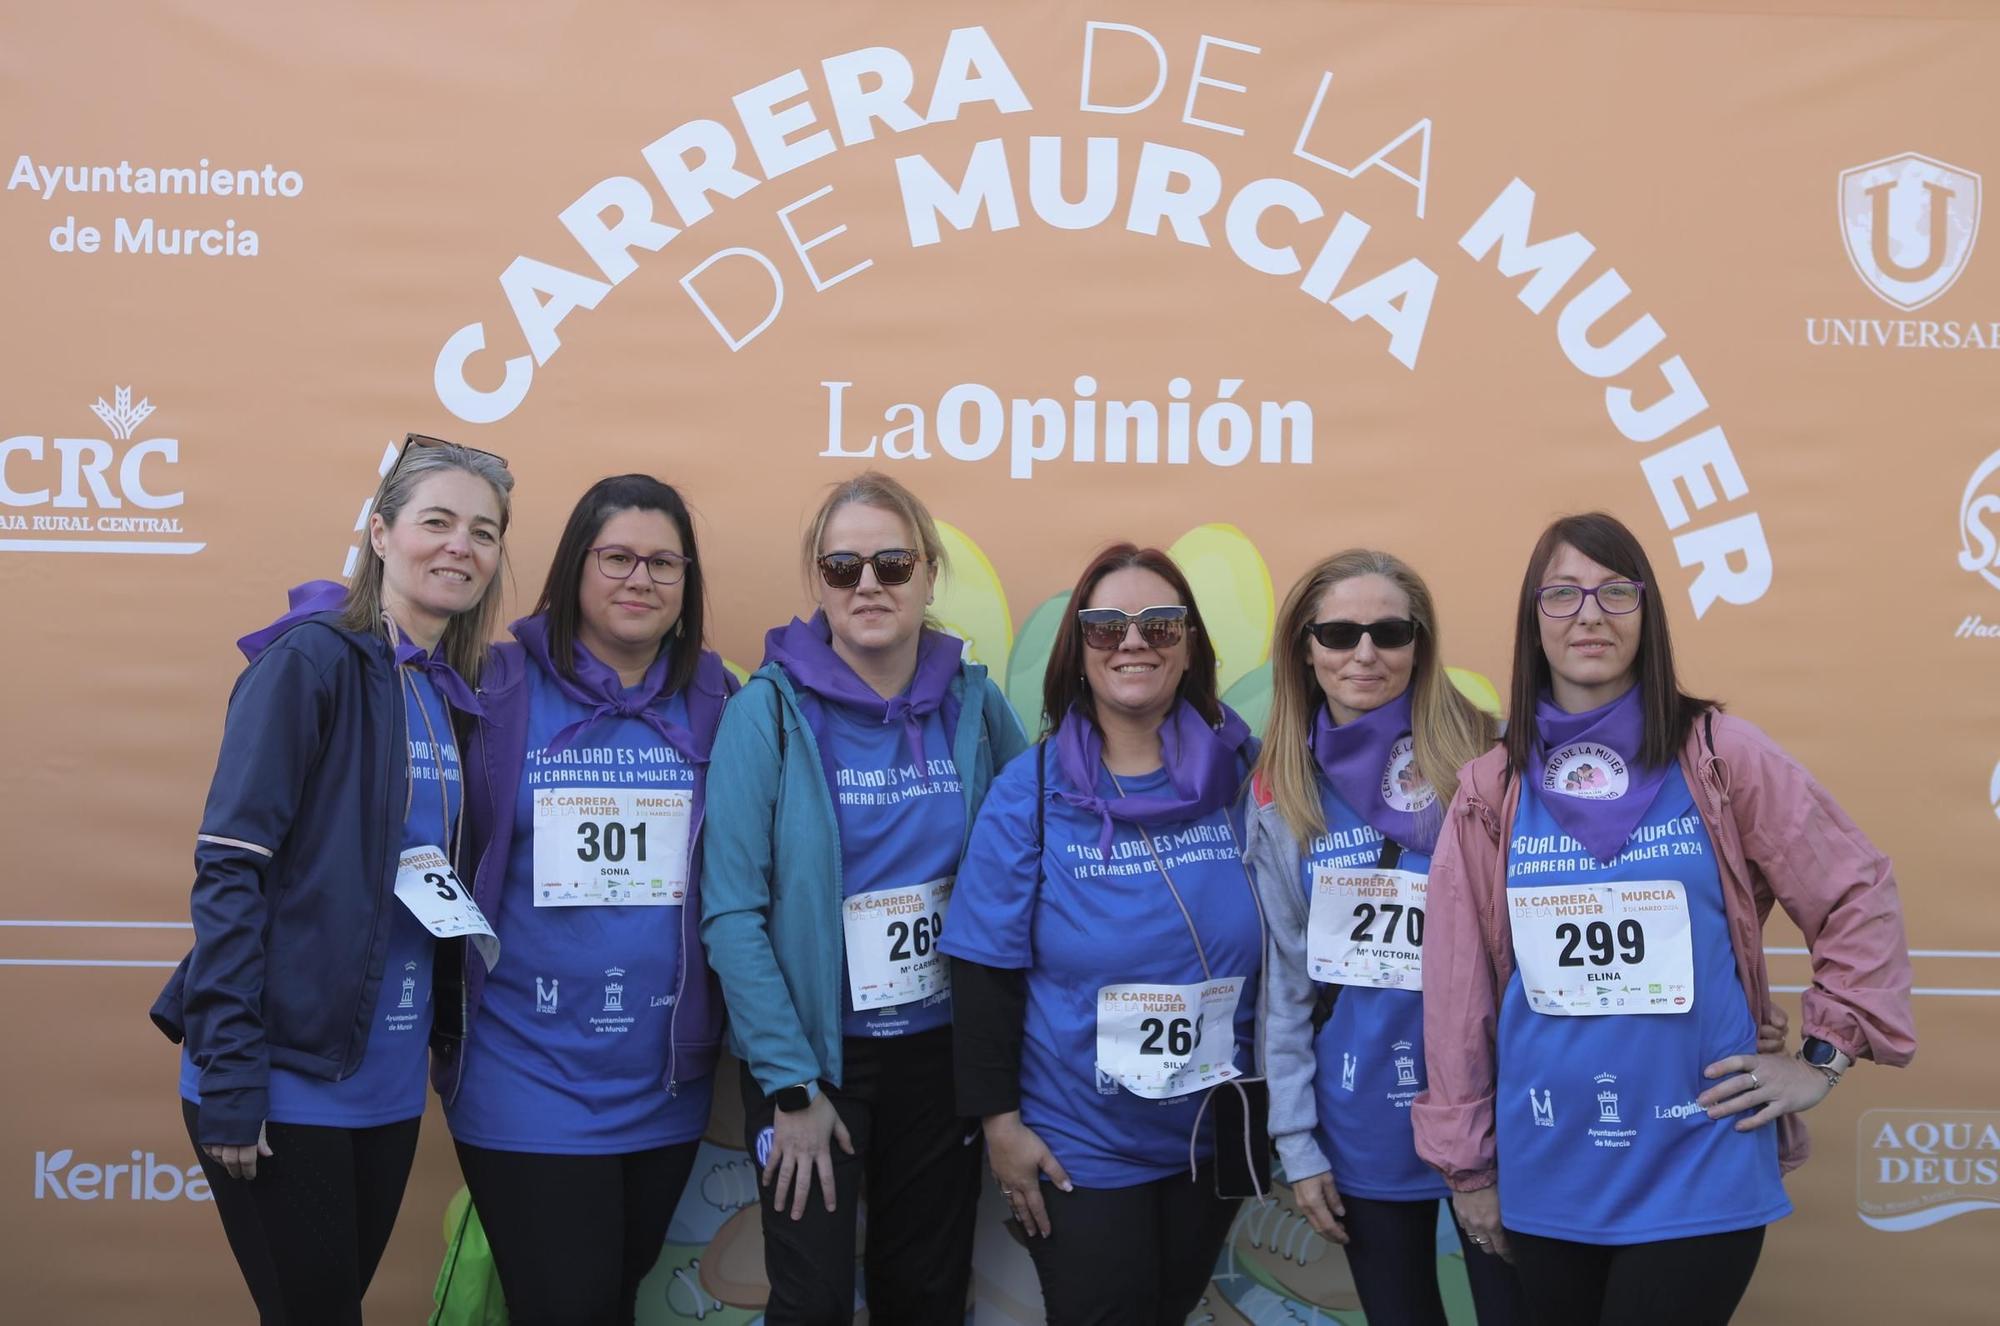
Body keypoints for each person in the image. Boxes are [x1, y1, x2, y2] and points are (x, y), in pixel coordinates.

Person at [1414, 512, 1917, 1326]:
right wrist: (1467, 1169)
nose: (1590, 613)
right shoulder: (1491, 786)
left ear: (1647, 616)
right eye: (1563, 594)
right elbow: (1455, 991)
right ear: (1531, 622)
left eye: (1617, 591)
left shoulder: (1722, 755)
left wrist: (1823, 1060)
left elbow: (1856, 891)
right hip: (1546, 1164)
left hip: (1699, 1159)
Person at [152, 436, 513, 1324]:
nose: (459, 546)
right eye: (437, 521)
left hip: (383, 1081)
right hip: (283, 1073)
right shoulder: (312, 660)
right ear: (381, 534)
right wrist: (235, 1075)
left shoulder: (445, 686)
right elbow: (230, 872)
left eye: (484, 530)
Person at [700, 472, 1028, 1324]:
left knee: (924, 1298)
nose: (870, 585)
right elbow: (732, 912)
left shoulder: (976, 705)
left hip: (942, 1057)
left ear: (928, 574)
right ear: (819, 582)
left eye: (892, 562)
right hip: (819, 1063)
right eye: (844, 568)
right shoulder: (767, 714)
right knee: (809, 1305)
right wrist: (791, 1089)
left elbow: (1023, 871)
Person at [436, 475, 735, 1325]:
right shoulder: (494, 686)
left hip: (666, 1080)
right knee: (565, 1305)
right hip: (522, 1067)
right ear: (574, 570)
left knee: (611, 1297)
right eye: (617, 558)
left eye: (664, 563)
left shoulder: (720, 700)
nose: (641, 579)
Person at [942, 542, 1264, 1326]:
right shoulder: (1034, 791)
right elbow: (983, 968)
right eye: (1105, 626)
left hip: (1207, 1136)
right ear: (1076, 651)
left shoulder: (1241, 772)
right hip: (1081, 1146)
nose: (1132, 642)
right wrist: (1000, 1127)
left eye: (1159, 625)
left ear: (1189, 648)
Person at [1248, 550, 1527, 1325]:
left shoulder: (1493, 760)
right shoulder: (1281, 791)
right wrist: (1297, 1143)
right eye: (1338, 633)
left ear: (1420, 643)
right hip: (1364, 1111)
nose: (1363, 653)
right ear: (1305, 647)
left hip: (1500, 1108)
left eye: (1388, 631)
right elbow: (1286, 991)